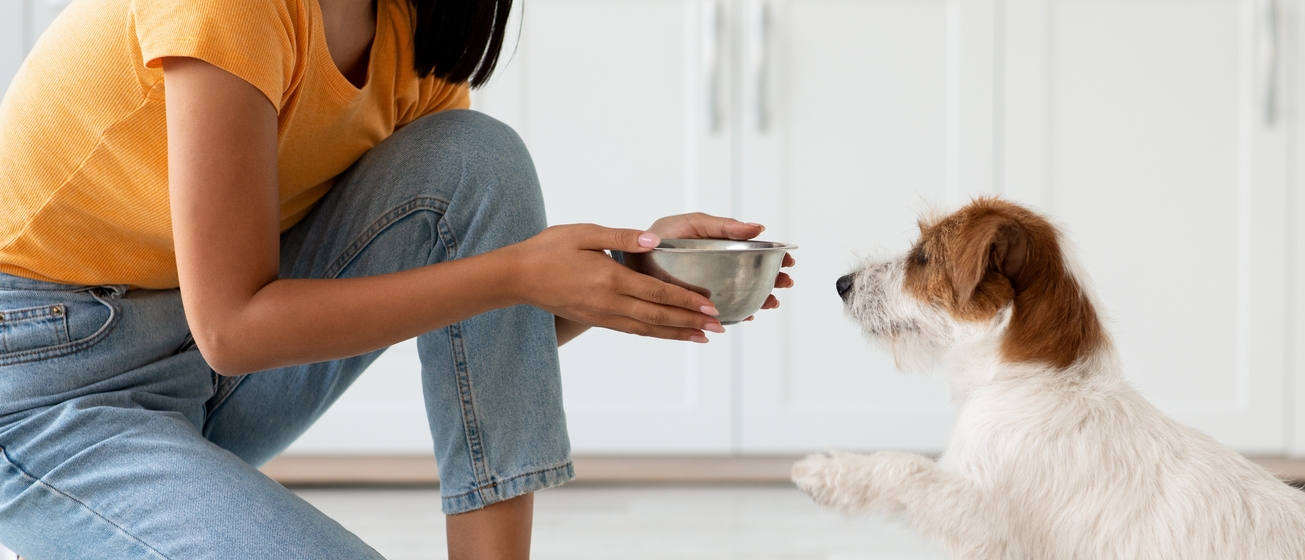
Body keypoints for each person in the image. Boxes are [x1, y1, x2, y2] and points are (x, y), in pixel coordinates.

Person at [0, 0, 793, 557]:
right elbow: (235, 329)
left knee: (477, 157)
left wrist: (620, 275)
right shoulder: (232, 3)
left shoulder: (408, 35)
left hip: (191, 362)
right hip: (44, 384)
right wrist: (519, 273)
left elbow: (482, 325)